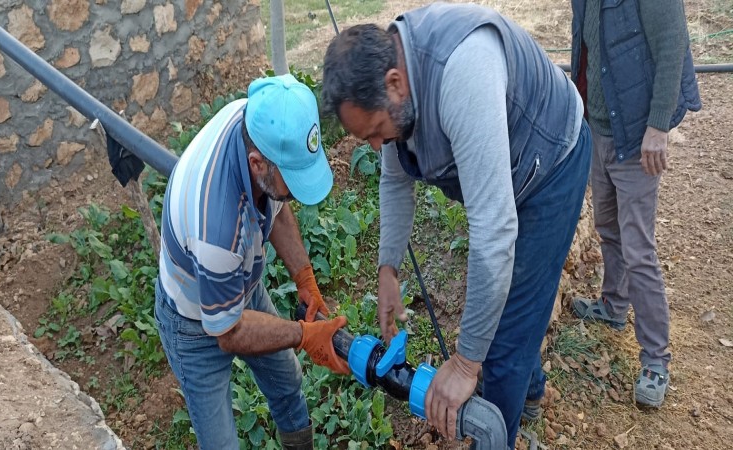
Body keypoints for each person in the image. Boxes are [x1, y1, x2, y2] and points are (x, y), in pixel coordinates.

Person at [321, 3, 592, 448]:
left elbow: (495, 234)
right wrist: (388, 269)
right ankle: (531, 391)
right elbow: (395, 178)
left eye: (374, 130)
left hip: (550, 164)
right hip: (509, 169)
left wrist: (466, 364)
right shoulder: (394, 85)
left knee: (502, 339)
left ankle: (497, 431)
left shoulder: (463, 72)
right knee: (511, 304)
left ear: (394, 83)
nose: (374, 145)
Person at [154, 74, 350, 450]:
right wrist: (305, 336)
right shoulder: (217, 225)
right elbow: (229, 333)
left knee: (287, 383)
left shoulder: (262, 122)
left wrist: (305, 279)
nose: (295, 191)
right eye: (292, 179)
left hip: (241, 288)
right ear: (257, 163)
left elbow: (276, 204)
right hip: (194, 323)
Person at [569, 0, 700, 408]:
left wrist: (659, 125)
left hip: (637, 134)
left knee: (639, 249)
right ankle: (613, 303)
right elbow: (584, 50)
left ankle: (656, 358)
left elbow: (671, 42)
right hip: (600, 129)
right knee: (607, 226)